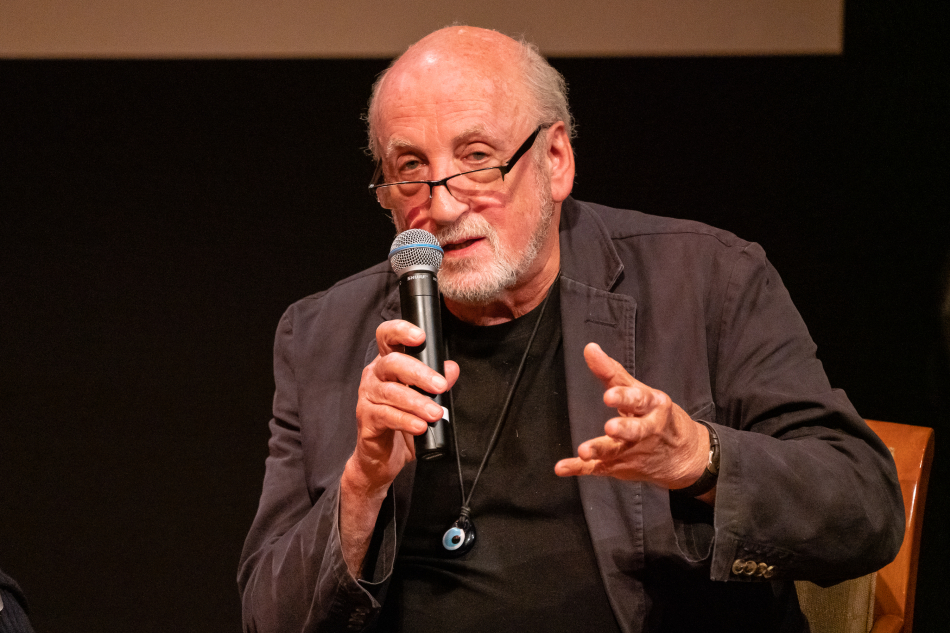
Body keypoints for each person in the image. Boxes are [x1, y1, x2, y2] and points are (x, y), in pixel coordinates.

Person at [238, 26, 904, 633]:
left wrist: (701, 459)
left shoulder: (707, 281)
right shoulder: (320, 335)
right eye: (410, 168)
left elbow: (865, 509)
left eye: (476, 157)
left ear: (555, 158)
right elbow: (268, 618)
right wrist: (360, 486)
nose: (439, 205)